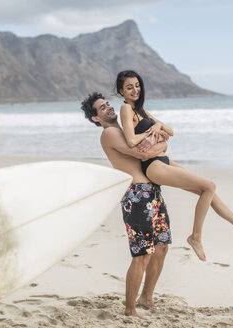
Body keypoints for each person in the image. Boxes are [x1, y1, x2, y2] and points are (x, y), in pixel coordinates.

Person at [116, 70, 233, 261]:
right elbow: (131, 140)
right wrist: (152, 132)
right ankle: (195, 237)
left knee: (208, 192)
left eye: (137, 85)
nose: (135, 90)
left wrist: (157, 126)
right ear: (121, 91)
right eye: (129, 87)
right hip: (153, 165)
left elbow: (170, 131)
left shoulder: (141, 110)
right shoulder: (126, 110)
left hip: (164, 160)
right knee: (209, 186)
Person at [81, 92, 170, 319]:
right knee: (142, 254)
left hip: (151, 191)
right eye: (102, 108)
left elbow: (147, 148)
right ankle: (130, 309)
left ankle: (146, 297)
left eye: (108, 104)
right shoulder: (110, 133)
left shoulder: (122, 130)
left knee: (161, 246)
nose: (109, 108)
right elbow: (140, 153)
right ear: (95, 119)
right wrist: (159, 143)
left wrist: (157, 136)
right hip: (136, 195)